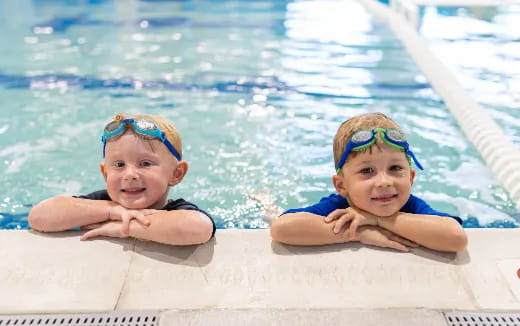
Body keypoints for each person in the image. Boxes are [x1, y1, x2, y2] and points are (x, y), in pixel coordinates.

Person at [270, 112, 467, 252]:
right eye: (367, 171)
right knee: (270, 214)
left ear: (411, 177)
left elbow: (455, 238)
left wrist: (379, 220)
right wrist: (357, 233)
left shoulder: (412, 205)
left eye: (395, 168)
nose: (384, 182)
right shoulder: (340, 207)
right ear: (341, 186)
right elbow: (282, 228)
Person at [29, 113, 215, 245]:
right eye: (119, 165)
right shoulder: (103, 202)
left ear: (177, 174)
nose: (130, 174)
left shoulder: (177, 210)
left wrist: (124, 227)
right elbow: (39, 216)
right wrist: (113, 212)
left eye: (145, 163)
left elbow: (199, 228)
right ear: (105, 173)